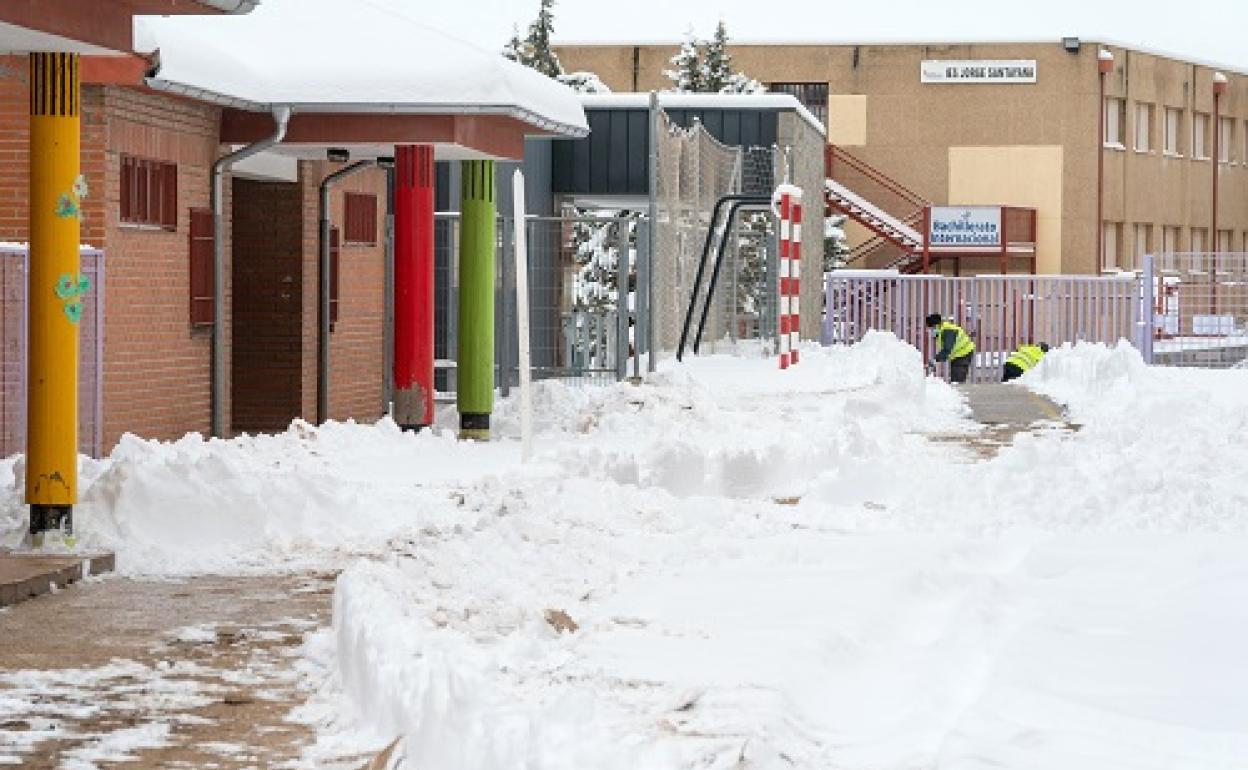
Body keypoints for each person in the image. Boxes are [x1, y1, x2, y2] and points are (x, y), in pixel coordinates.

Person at [925, 313, 975, 384]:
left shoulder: (948, 331)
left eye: (930, 328)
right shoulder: (942, 330)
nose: (929, 330)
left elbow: (947, 349)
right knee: (955, 377)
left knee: (957, 380)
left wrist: (935, 360)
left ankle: (958, 393)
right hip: (959, 354)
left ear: (935, 325)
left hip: (963, 354)